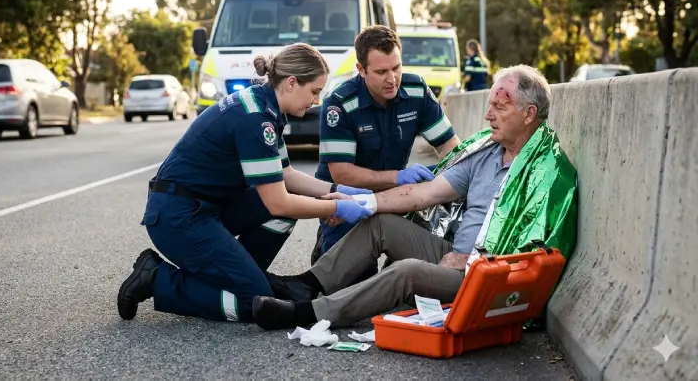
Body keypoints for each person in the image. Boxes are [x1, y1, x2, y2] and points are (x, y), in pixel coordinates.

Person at [252, 64, 579, 330]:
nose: (488, 114)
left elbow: (536, 255)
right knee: (380, 223)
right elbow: (424, 194)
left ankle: (306, 313)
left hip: (482, 276)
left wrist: (472, 262)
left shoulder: (550, 171)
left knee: (406, 271)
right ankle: (308, 283)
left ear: (528, 113)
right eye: (489, 104)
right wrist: (359, 204)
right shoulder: (487, 152)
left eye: (500, 106)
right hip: (455, 256)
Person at [116, 42, 375, 324]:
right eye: (314, 91)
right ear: (291, 83)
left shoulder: (265, 106)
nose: (316, 101)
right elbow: (276, 201)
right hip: (179, 218)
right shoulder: (256, 119)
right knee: (256, 302)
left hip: (204, 208)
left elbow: (286, 175)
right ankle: (156, 278)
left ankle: (241, 271)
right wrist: (334, 209)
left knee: (282, 213)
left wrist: (338, 191)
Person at [309, 25, 461, 270]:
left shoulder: (416, 90)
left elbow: (450, 147)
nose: (392, 79)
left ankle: (396, 261)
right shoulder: (340, 104)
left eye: (396, 68)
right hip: (348, 198)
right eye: (381, 72)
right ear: (361, 70)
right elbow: (342, 173)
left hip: (394, 196)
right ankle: (328, 247)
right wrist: (398, 177)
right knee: (352, 288)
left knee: (449, 179)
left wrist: (446, 185)